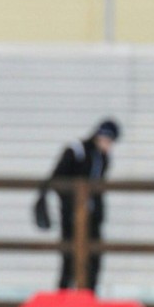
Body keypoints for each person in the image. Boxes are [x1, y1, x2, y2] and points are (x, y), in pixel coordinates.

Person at [35, 119, 120, 293]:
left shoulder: (103, 158)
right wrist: (71, 203)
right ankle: (63, 295)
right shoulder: (77, 151)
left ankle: (88, 295)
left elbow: (98, 188)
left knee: (94, 257)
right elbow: (56, 179)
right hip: (70, 214)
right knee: (69, 257)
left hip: (93, 217)